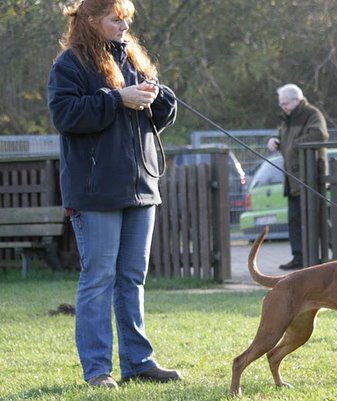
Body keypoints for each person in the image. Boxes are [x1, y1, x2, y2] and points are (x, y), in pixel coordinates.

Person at [47, 0, 181, 389]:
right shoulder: (69, 65)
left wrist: (160, 97)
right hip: (94, 192)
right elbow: (65, 115)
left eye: (126, 20)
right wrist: (115, 98)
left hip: (141, 188)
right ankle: (97, 370)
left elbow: (156, 119)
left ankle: (139, 362)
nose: (124, 26)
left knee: (132, 279)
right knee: (99, 279)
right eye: (115, 18)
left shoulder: (132, 60)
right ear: (90, 21)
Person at [267, 84, 329, 270]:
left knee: (317, 217)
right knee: (294, 220)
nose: (283, 107)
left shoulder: (312, 114)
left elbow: (320, 135)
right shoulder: (287, 119)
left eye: (285, 103)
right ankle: (299, 257)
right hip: (292, 178)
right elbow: (281, 136)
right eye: (281, 104)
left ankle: (334, 252)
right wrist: (273, 140)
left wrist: (294, 145)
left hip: (310, 177)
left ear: (296, 100)